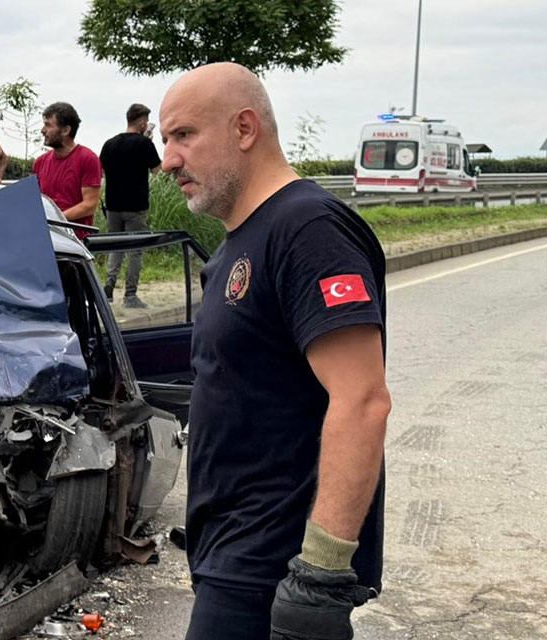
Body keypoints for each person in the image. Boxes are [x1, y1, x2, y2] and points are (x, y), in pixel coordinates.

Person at [160, 63, 391, 640]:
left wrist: (320, 574)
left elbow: (362, 399)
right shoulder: (244, 238)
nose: (167, 160)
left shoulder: (307, 229)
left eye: (184, 135)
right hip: (230, 557)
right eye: (166, 140)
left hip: (272, 569)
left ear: (244, 129)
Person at [99, 103, 162, 307]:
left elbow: (102, 172)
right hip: (135, 207)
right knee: (135, 250)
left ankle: (108, 287)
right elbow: (156, 171)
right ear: (143, 122)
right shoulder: (144, 145)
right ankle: (130, 295)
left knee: (115, 247)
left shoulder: (109, 144)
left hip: (113, 205)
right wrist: (148, 143)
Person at [33, 102, 101, 240]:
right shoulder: (40, 162)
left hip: (76, 241)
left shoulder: (88, 159)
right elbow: (35, 200)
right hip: (45, 236)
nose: (43, 130)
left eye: (48, 125)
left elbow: (89, 205)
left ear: (65, 130)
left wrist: (55, 220)